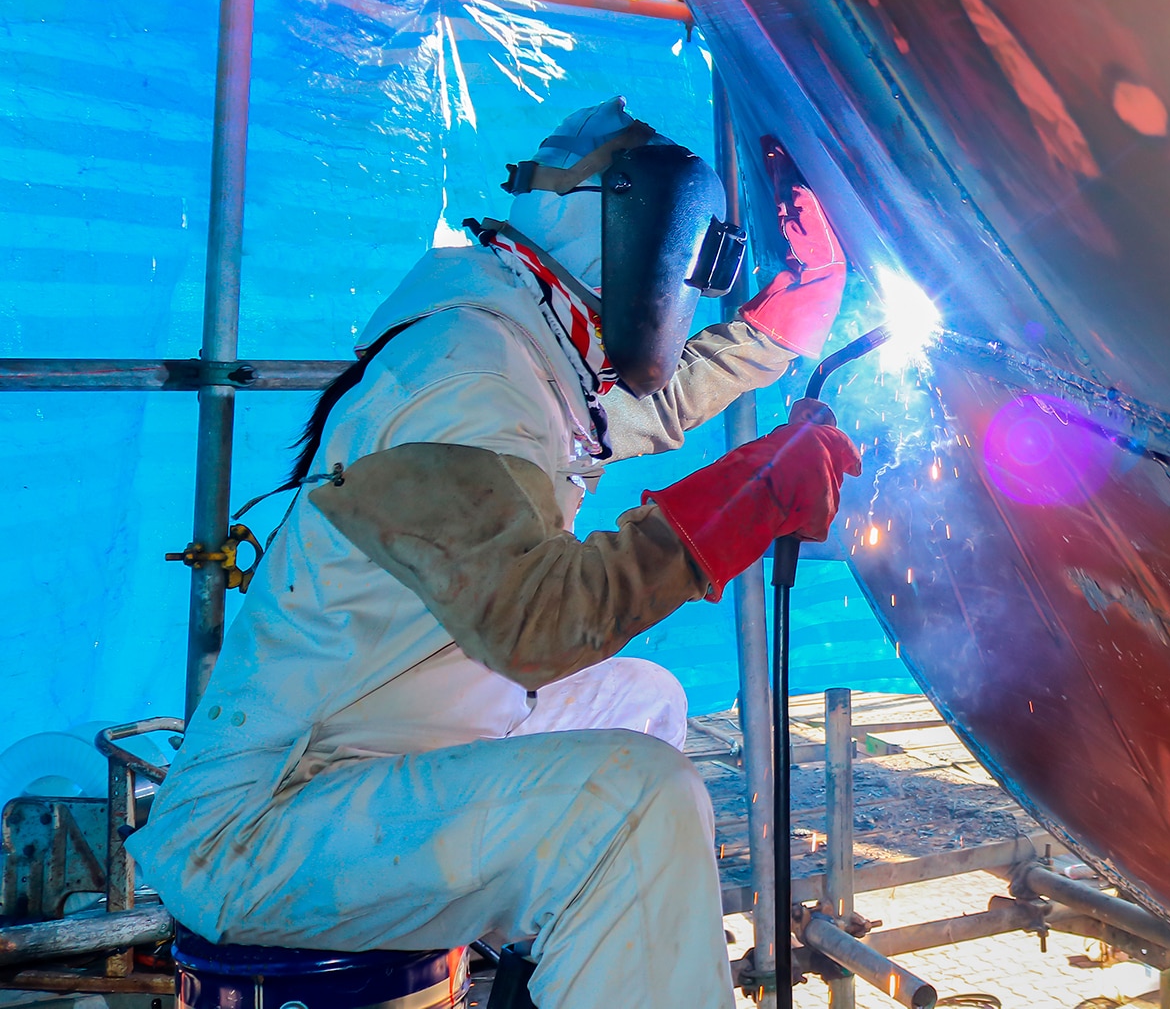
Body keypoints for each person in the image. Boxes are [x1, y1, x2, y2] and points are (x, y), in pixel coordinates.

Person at [130, 97, 858, 1008]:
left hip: (378, 738)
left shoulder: (524, 350)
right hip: (268, 824)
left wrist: (775, 331)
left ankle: (549, 976)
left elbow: (639, 411)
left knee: (643, 700)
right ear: (640, 237)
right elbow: (538, 621)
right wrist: (745, 498)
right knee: (633, 802)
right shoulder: (465, 373)